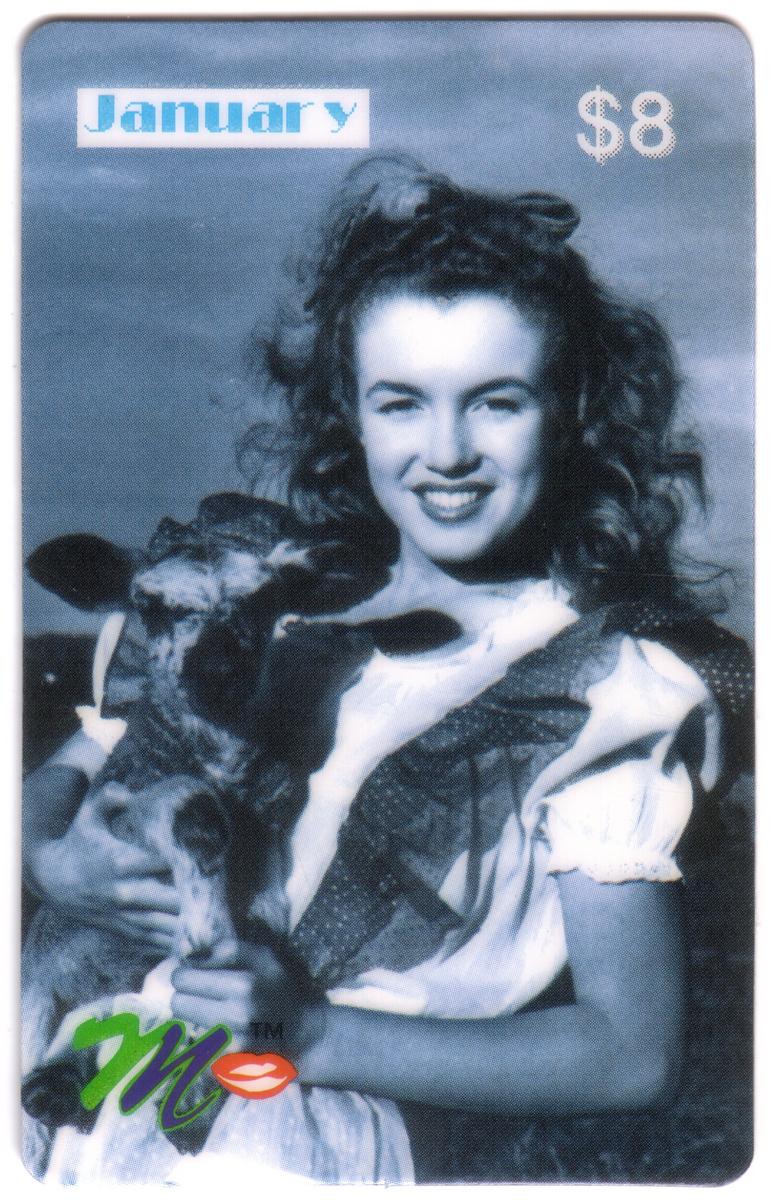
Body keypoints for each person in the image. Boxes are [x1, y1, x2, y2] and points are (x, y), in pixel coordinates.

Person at [22, 155, 753, 1184]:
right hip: (83, 1102)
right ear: (349, 411)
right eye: (401, 403)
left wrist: (314, 1034)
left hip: (283, 1141)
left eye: (496, 402)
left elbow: (631, 1055)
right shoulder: (271, 612)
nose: (445, 452)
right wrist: (48, 859)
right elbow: (71, 767)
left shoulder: (596, 688)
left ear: (571, 408)